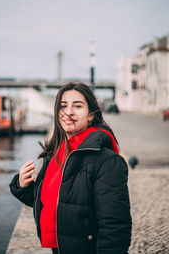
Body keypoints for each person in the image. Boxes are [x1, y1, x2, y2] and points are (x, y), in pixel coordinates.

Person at [10, 82, 132, 254]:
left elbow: (115, 225)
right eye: (63, 106)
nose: (68, 112)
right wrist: (22, 186)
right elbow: (61, 202)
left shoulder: (106, 160)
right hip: (61, 247)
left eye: (78, 106)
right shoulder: (54, 154)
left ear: (91, 115)